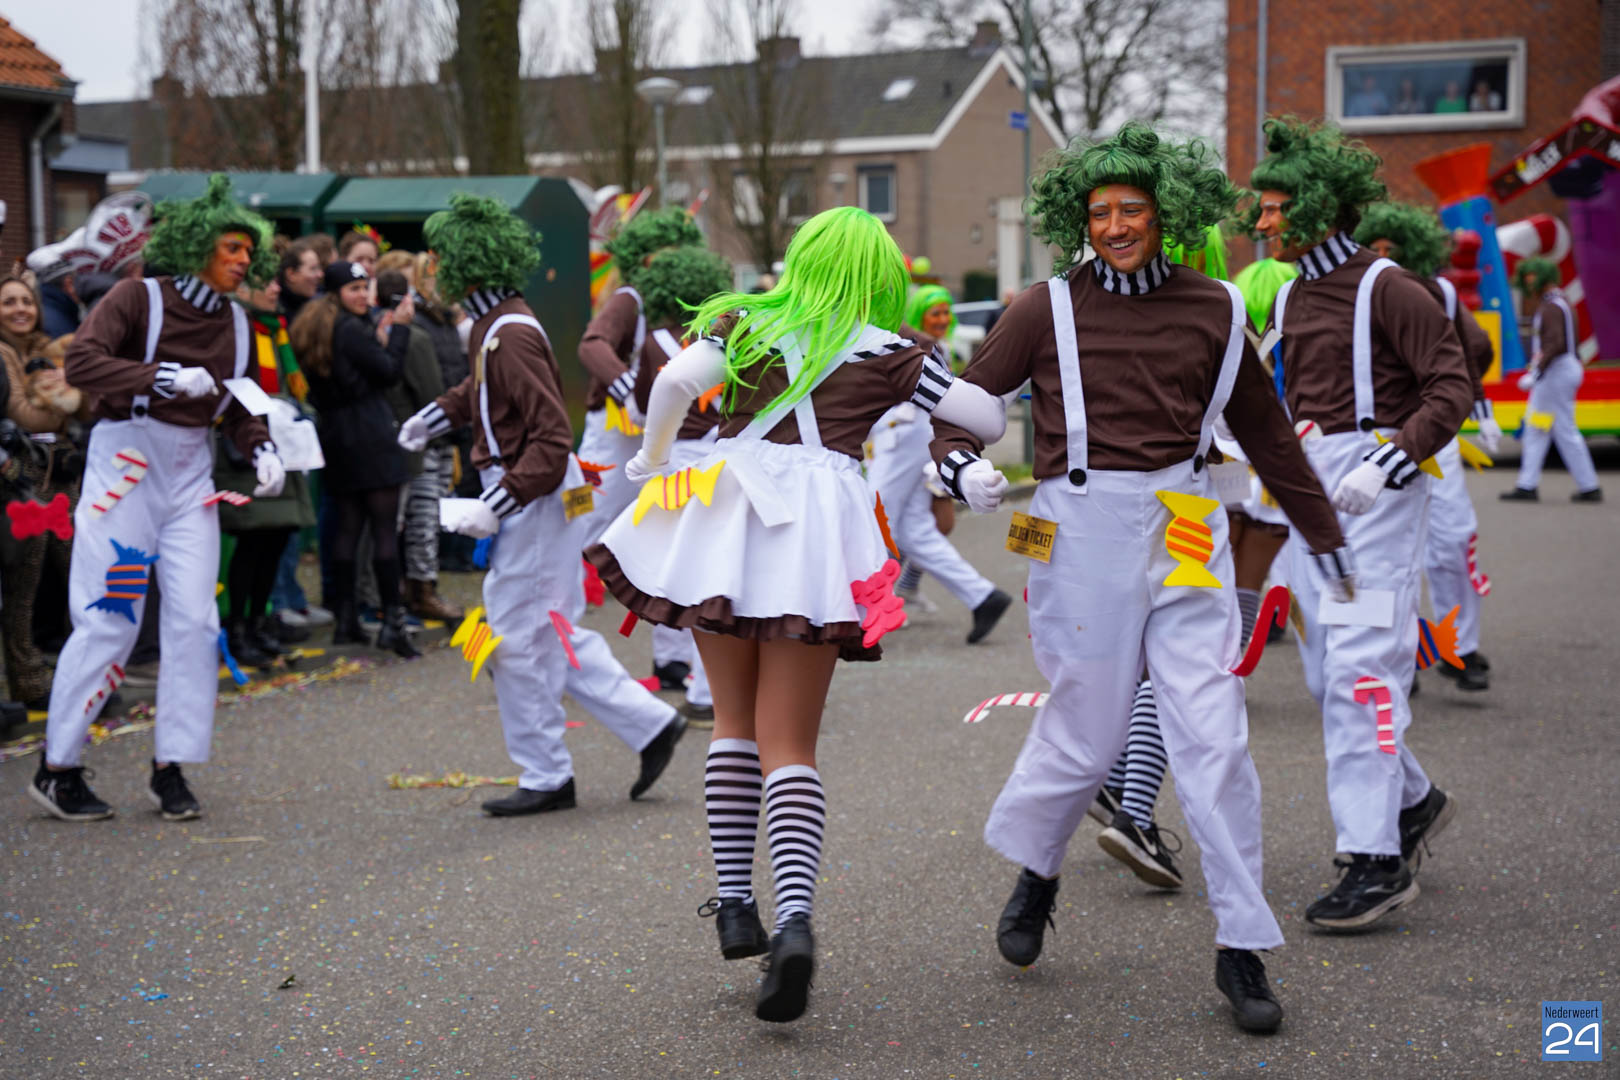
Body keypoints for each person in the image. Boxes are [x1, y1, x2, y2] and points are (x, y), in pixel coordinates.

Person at [933, 123, 1346, 1034]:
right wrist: (957, 465)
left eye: (1132, 209)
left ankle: (1241, 944)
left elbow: (1267, 432)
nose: (1115, 226)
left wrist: (1322, 532)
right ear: (1079, 221)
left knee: (1215, 735)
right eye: (1099, 213)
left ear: (1168, 214)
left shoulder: (1217, 308)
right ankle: (1040, 871)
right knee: (1088, 734)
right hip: (1077, 530)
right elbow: (962, 408)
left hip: (1188, 523)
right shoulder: (1042, 308)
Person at [587, 207, 1005, 1024]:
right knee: (790, 744)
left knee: (731, 724)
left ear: (804, 260)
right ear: (879, 274)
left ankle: (734, 905)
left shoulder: (746, 323)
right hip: (813, 531)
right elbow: (987, 417)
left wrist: (653, 458)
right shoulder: (891, 351)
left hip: (723, 512)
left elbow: (671, 386)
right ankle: (796, 924)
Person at [1249, 117, 1472, 930]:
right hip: (1316, 503)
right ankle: (1413, 801)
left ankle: (1374, 860)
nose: (1262, 223)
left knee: (1358, 672)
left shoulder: (1391, 287)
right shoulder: (1291, 294)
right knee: (1325, 676)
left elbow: (1452, 388)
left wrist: (1391, 462)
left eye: (1275, 209)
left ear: (1317, 206)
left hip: (1376, 505)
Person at [397, 194, 684, 818]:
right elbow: (485, 391)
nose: (432, 268)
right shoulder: (496, 324)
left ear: (468, 262)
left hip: (531, 498)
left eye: (439, 257)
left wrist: (496, 503)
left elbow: (551, 439)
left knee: (510, 639)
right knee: (548, 629)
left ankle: (547, 772)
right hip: (534, 496)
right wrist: (435, 415)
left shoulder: (508, 330)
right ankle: (649, 724)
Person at [27, 174, 288, 822]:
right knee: (110, 614)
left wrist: (261, 447)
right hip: (126, 467)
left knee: (196, 622)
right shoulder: (135, 297)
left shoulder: (237, 322)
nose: (243, 260)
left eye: (248, 250)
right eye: (231, 248)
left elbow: (239, 402)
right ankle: (57, 767)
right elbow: (82, 364)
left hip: (190, 475)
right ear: (198, 247)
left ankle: (171, 765)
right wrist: (161, 376)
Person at [1355, 201, 1502, 690]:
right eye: (1373, 248)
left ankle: (1459, 646)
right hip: (1372, 440)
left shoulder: (1439, 292)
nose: (1382, 256)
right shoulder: (1353, 295)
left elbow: (1472, 353)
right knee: (1382, 552)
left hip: (1435, 435)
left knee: (1453, 539)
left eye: (1390, 248)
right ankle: (1394, 652)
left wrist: (1477, 405)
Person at [577, 209, 709, 691]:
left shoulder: (678, 304)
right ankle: (543, 634)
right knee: (583, 529)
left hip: (661, 436)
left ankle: (672, 658)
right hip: (615, 435)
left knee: (667, 537)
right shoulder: (630, 298)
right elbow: (591, 346)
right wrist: (629, 391)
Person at [627, 242, 736, 724]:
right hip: (720, 462)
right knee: (707, 566)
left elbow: (639, 406)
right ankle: (702, 683)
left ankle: (674, 662)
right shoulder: (733, 337)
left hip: (669, 463)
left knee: (668, 563)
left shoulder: (654, 342)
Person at [290, 259, 418, 658]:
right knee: (383, 530)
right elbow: (389, 372)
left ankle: (345, 620)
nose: (363, 296)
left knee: (348, 527)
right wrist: (400, 330)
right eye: (354, 289)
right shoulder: (350, 329)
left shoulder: (316, 326)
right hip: (370, 434)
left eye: (365, 288)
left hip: (337, 435)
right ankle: (392, 623)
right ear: (336, 293)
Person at [868, 284, 1011, 642]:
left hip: (903, 434)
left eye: (947, 312)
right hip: (909, 434)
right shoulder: (918, 339)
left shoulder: (905, 336)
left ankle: (868, 609)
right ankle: (983, 597)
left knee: (874, 517)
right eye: (936, 313)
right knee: (913, 530)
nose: (944, 319)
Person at [215, 274, 318, 666]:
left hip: (281, 445)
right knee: (252, 540)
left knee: (276, 537)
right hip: (246, 448)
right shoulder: (235, 328)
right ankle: (237, 627)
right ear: (241, 289)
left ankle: (260, 623)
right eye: (265, 283)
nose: (276, 289)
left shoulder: (275, 330)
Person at [0, 274, 88, 708]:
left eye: (26, 301)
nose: (20, 309)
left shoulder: (48, 347)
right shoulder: (2, 354)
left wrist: (64, 402)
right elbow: (24, 414)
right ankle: (28, 681)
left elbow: (84, 405)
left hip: (63, 479)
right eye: (9, 302)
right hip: (25, 482)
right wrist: (62, 404)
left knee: (77, 576)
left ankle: (80, 670)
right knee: (24, 586)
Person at [376, 253, 462, 622]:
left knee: (423, 515)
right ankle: (419, 590)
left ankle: (418, 588)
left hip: (435, 431)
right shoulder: (416, 332)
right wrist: (446, 431)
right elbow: (429, 388)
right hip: (425, 435)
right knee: (421, 517)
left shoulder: (443, 322)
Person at [1500, 257, 1601, 503]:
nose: (1529, 282)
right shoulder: (1559, 301)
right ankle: (1532, 484)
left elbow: (1554, 343)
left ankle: (1583, 485)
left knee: (1556, 429)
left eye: (1532, 276)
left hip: (1555, 374)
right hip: (1558, 372)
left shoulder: (1552, 306)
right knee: (1541, 428)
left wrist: (1536, 373)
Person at [275, 239, 323, 326]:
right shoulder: (275, 312)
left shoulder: (319, 306)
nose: (320, 274)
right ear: (291, 274)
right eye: (313, 269)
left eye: (319, 267)